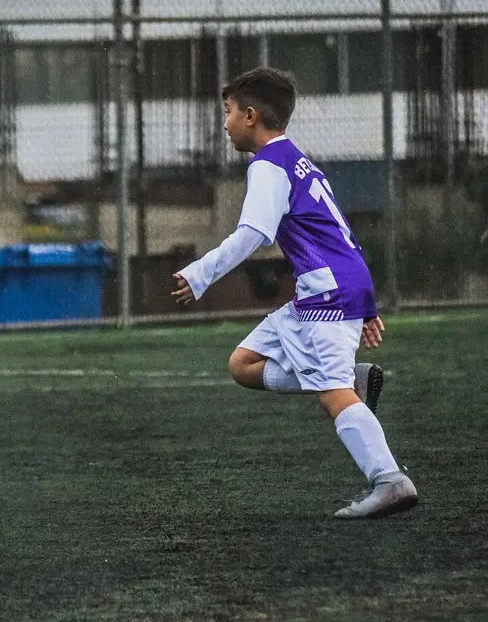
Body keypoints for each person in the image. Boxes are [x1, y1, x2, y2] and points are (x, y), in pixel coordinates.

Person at [172, 67, 418, 519]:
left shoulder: (268, 165)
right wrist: (363, 302)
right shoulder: (294, 159)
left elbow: (252, 234)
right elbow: (338, 233)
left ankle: (389, 480)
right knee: (243, 365)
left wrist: (200, 274)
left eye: (227, 113)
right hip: (329, 288)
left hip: (326, 292)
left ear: (250, 116)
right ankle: (351, 380)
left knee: (332, 394)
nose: (224, 123)